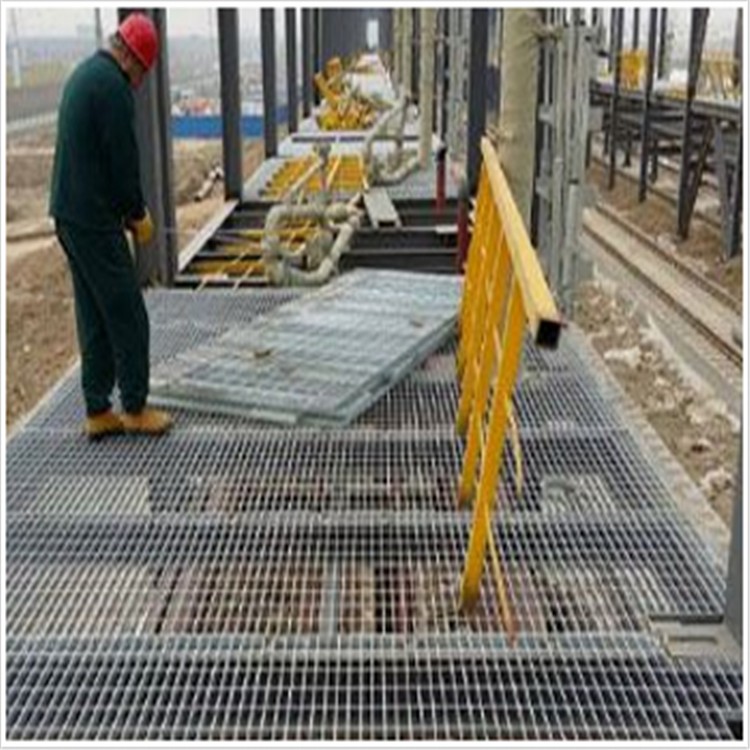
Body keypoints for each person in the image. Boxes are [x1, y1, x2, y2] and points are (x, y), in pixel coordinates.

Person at [49, 13, 173, 439]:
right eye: (142, 73)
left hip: (68, 215)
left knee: (94, 312)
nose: (139, 83)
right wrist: (136, 213)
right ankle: (135, 407)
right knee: (128, 313)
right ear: (133, 60)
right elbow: (122, 162)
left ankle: (98, 409)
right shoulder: (113, 89)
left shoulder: (86, 73)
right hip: (94, 220)